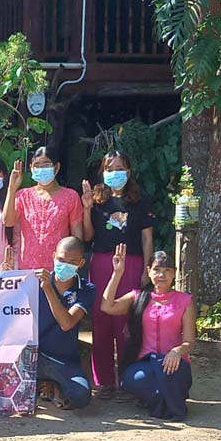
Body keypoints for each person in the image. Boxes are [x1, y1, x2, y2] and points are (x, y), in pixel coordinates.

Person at [81, 151, 154, 400]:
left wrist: (146, 270)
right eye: (110, 169)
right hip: (102, 263)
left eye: (120, 168)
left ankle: (128, 379)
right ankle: (104, 382)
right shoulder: (97, 201)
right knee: (101, 321)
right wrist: (87, 209)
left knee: (127, 323)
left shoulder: (139, 201)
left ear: (129, 172)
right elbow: (87, 236)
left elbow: (147, 238)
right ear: (103, 172)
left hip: (132, 263)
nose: (115, 173)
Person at [100, 246, 195, 420]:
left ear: (174, 273)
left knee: (172, 374)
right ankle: (169, 401)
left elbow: (189, 341)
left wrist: (176, 351)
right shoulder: (137, 297)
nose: (162, 275)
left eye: (167, 270)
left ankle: (161, 400)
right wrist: (117, 273)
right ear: (149, 271)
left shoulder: (185, 300)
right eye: (157, 269)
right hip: (145, 365)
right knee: (133, 379)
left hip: (174, 363)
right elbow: (107, 306)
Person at [35, 236, 95, 410]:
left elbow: (67, 323)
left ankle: (51, 385)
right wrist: (6, 277)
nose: (65, 265)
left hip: (64, 362)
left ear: (81, 263)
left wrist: (48, 290)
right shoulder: (35, 282)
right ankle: (47, 385)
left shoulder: (86, 289)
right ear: (53, 256)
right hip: (35, 357)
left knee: (80, 396)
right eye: (61, 260)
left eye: (72, 262)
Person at [3, 147, 83, 270]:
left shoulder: (70, 197)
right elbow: (8, 221)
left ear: (56, 167)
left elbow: (77, 238)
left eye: (46, 165)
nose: (41, 169)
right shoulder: (23, 195)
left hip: (58, 269)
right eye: (37, 165)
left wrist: (72, 268)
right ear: (31, 168)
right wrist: (12, 189)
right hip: (28, 268)